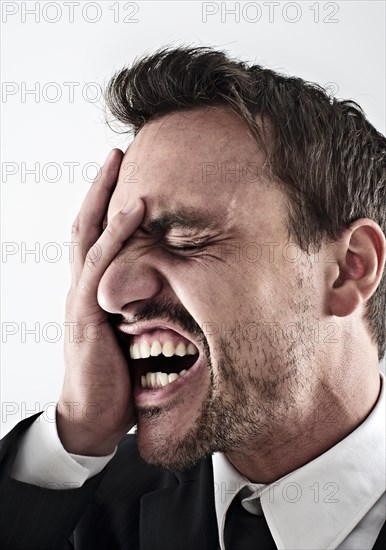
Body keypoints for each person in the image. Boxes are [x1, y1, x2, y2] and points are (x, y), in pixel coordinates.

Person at [0, 46, 385, 550]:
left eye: (184, 240)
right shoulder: (83, 504)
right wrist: (77, 431)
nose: (110, 294)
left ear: (347, 270)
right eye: (109, 249)